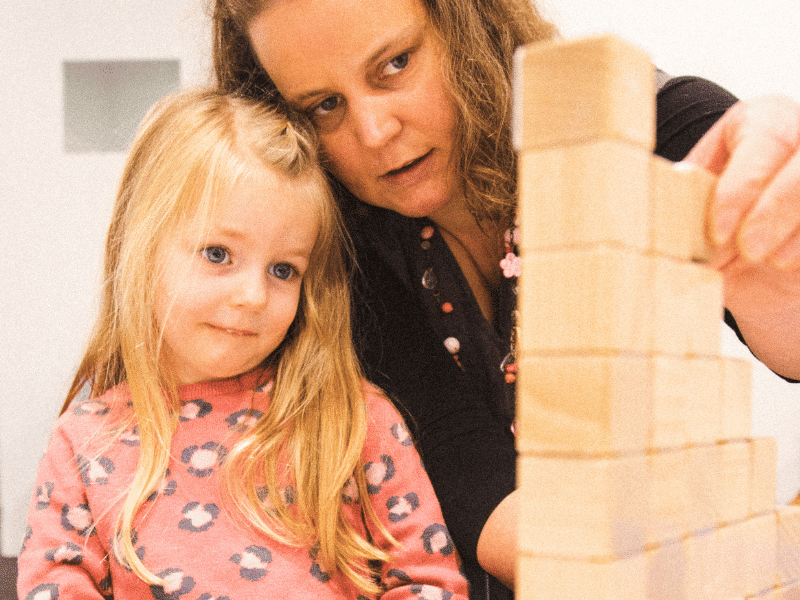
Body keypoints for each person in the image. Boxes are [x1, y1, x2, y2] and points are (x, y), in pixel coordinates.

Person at [211, 0, 800, 597]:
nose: (374, 131)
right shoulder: (337, 250)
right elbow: (477, 486)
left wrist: (774, 256)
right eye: (324, 105)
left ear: (471, 26)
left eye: (394, 64)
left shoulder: (639, 128)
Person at [16, 89, 469, 600]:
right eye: (218, 254)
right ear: (139, 249)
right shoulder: (81, 443)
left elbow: (430, 584)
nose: (254, 296)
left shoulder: (355, 419)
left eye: (283, 270)